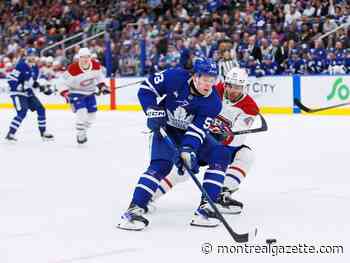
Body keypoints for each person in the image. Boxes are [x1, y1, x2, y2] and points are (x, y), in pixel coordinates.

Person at [117, 58, 232, 231]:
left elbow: (197, 131)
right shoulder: (174, 77)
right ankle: (134, 209)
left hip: (187, 133)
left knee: (220, 154)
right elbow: (146, 89)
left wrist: (187, 150)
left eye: (212, 79)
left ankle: (206, 208)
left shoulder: (213, 102)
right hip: (166, 128)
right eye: (205, 78)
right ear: (195, 76)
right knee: (161, 166)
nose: (209, 84)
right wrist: (152, 110)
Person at [150, 67, 260, 215]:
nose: (233, 90)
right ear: (225, 83)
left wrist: (223, 136)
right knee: (182, 171)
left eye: (238, 87)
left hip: (221, 147)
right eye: (230, 86)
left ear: (245, 87)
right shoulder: (213, 90)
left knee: (246, 155)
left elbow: (237, 139)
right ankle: (148, 198)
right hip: (198, 138)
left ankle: (221, 193)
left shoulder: (250, 107)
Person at [60, 48, 109, 144]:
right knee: (82, 111)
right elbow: (61, 82)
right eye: (82, 57)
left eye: (87, 57)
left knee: (92, 115)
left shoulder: (96, 65)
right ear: (79, 58)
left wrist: (102, 87)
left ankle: (82, 132)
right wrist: (65, 93)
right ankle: (80, 133)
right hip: (75, 92)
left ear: (90, 57)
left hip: (89, 93)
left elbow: (99, 78)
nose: (85, 59)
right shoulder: (72, 68)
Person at [5, 48, 54, 142]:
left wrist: (41, 88)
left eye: (34, 55)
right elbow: (11, 79)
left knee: (41, 109)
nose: (32, 57)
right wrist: (18, 86)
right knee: (22, 112)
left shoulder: (35, 68)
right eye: (30, 55)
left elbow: (32, 83)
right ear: (27, 56)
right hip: (18, 93)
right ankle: (10, 134)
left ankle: (43, 133)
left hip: (28, 93)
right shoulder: (21, 65)